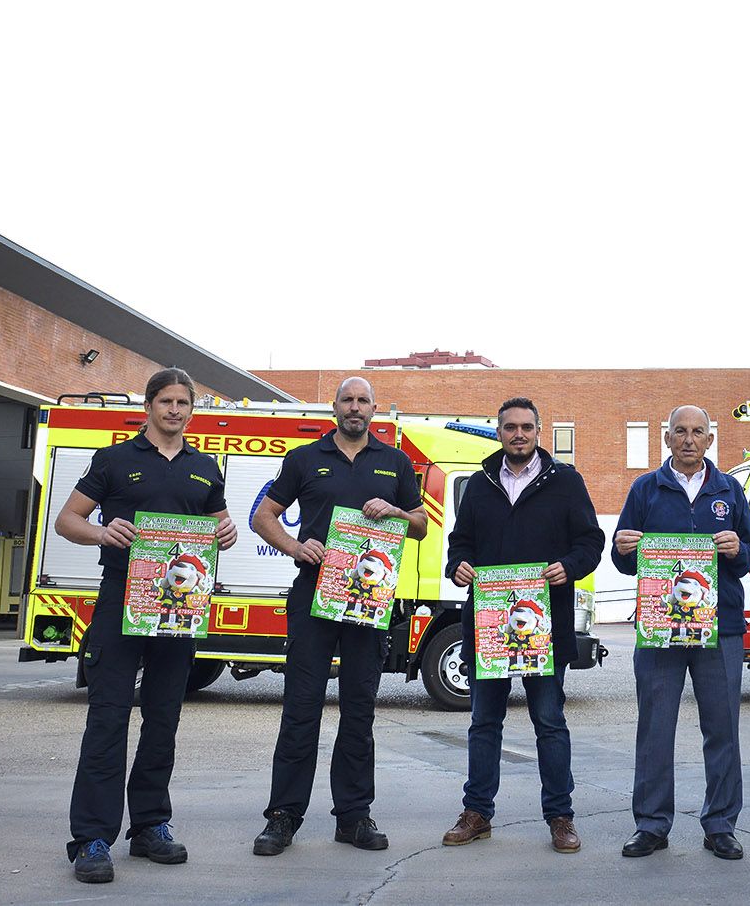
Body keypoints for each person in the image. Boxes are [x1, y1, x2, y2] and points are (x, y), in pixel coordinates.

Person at [57, 367, 238, 885]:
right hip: (122, 603)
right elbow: (67, 520)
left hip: (180, 609)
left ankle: (151, 826)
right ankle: (91, 838)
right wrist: (100, 531)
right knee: (108, 719)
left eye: (183, 402)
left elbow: (218, 526)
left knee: (163, 719)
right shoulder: (113, 460)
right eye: (166, 401)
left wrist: (224, 534)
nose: (175, 410)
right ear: (149, 405)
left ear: (190, 409)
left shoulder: (205, 469)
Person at [250, 376, 427, 857]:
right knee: (301, 709)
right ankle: (283, 817)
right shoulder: (305, 458)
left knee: (359, 710)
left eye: (362, 400)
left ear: (374, 409)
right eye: (347, 400)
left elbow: (420, 527)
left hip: (369, 600)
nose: (355, 407)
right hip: (313, 597)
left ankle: (352, 816)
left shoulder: (395, 462)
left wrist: (394, 509)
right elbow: (263, 515)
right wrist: (294, 544)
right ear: (334, 408)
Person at [440, 397, 604, 855]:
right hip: (489, 622)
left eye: (526, 427)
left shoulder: (566, 482)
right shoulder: (479, 483)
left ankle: (560, 816)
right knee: (483, 722)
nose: (518, 434)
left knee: (549, 722)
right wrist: (460, 566)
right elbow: (460, 544)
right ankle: (477, 813)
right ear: (499, 432)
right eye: (510, 427)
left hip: (545, 625)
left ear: (538, 431)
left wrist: (568, 567)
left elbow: (591, 540)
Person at [610, 404, 750, 861]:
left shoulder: (730, 490)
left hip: (721, 629)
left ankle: (720, 825)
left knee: (722, 729)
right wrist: (621, 549)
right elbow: (623, 557)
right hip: (660, 630)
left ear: (710, 439)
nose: (689, 439)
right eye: (681, 431)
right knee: (655, 727)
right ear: (667, 438)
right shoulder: (645, 488)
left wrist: (738, 548)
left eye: (698, 432)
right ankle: (652, 825)